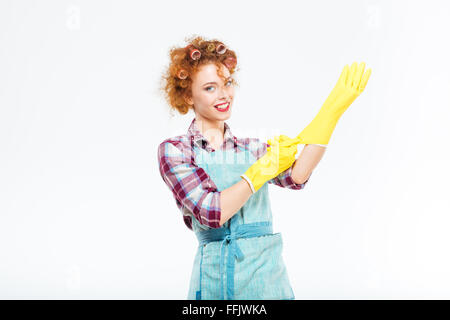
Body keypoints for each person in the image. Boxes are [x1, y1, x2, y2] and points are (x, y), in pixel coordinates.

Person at [157, 35, 371, 300]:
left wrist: (331, 112)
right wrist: (260, 172)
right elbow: (211, 212)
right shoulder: (176, 150)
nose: (224, 94)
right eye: (210, 88)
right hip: (215, 282)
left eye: (227, 83)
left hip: (269, 281)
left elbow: (298, 175)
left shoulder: (252, 149)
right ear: (188, 95)